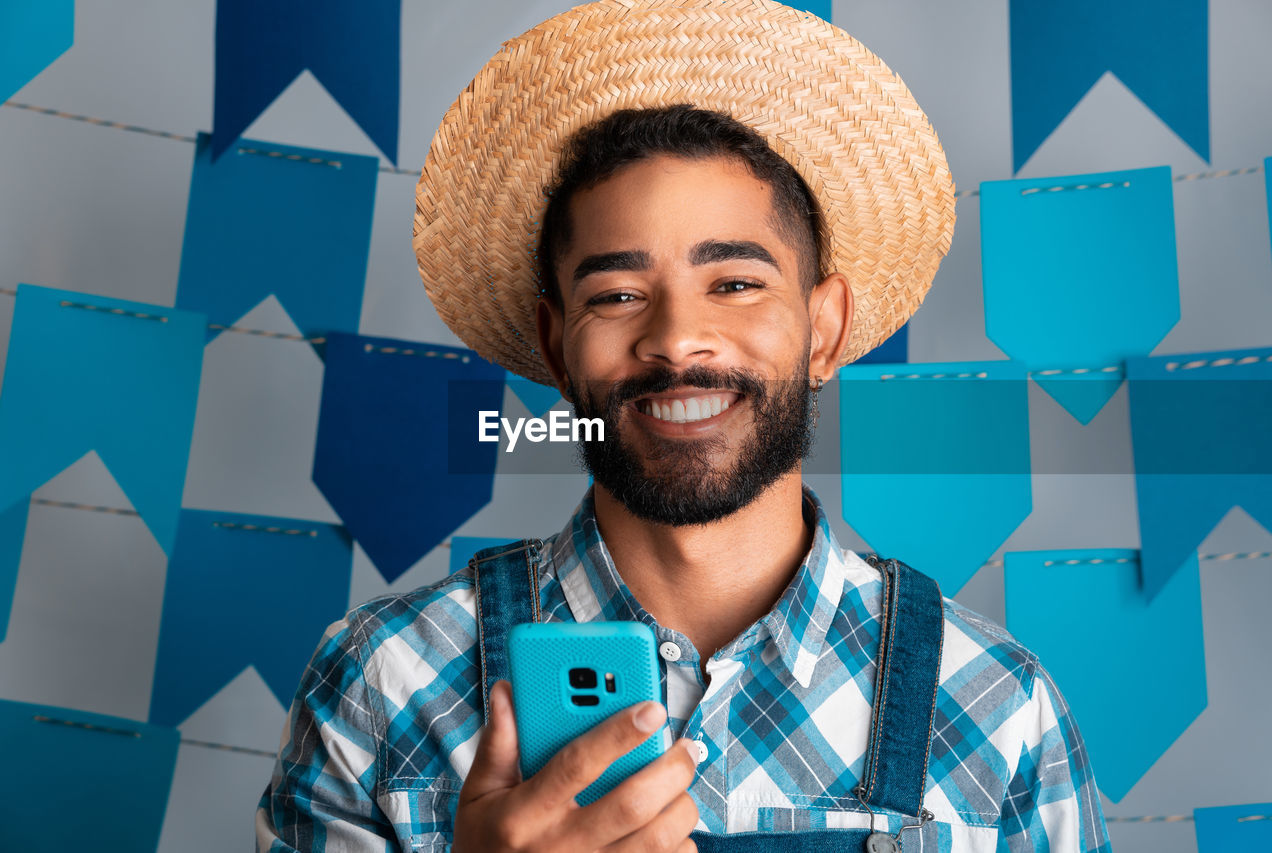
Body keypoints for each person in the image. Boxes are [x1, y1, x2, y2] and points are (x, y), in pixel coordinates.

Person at [256, 1, 1111, 851]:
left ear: (826, 330)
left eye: (735, 282)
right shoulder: (382, 680)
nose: (674, 340)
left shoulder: (998, 709)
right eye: (618, 295)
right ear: (557, 346)